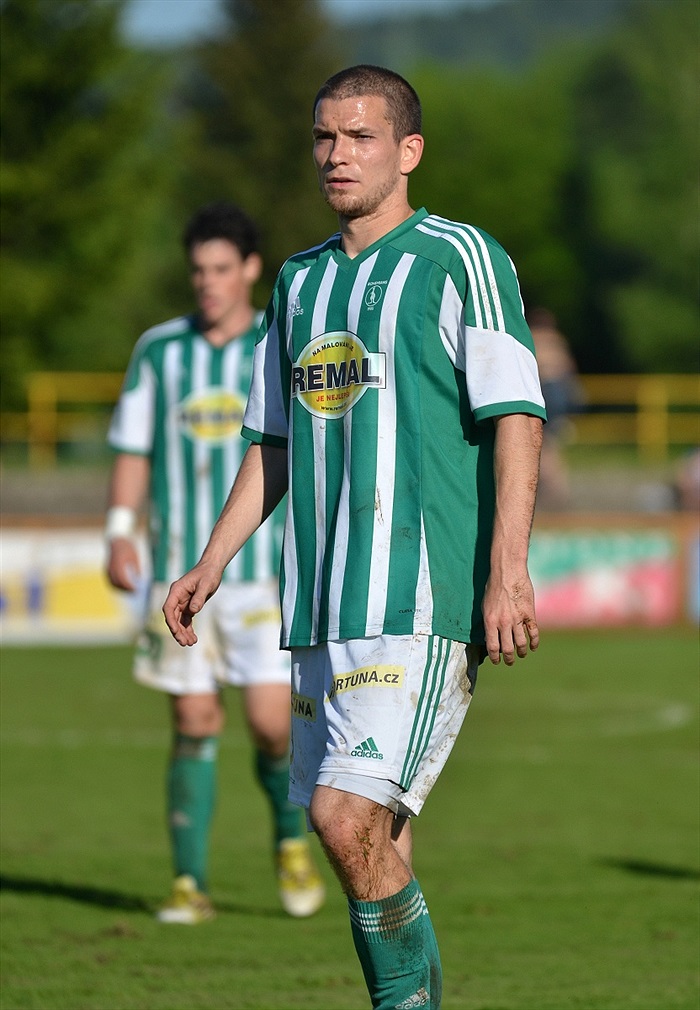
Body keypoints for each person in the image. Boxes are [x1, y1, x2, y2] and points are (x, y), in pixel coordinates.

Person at [163, 66, 545, 1007]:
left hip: (417, 598)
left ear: (407, 151)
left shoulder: (461, 258)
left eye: (361, 137)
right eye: (325, 138)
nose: (338, 155)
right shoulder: (296, 282)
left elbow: (518, 416)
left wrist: (508, 572)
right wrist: (213, 561)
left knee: (341, 819)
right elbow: (274, 442)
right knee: (374, 836)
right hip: (320, 607)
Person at [105, 202, 325, 924]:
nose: (207, 283)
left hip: (262, 569)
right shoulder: (160, 351)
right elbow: (133, 447)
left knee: (268, 724)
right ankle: (189, 883)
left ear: (251, 269)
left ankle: (290, 843)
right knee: (195, 718)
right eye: (198, 270)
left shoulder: (279, 338)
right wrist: (119, 530)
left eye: (222, 269)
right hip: (179, 569)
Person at [526, 307, 580, 509]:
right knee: (550, 447)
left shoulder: (534, 337)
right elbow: (568, 369)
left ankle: (555, 493)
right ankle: (557, 491)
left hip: (545, 391)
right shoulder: (557, 340)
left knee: (544, 446)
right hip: (557, 393)